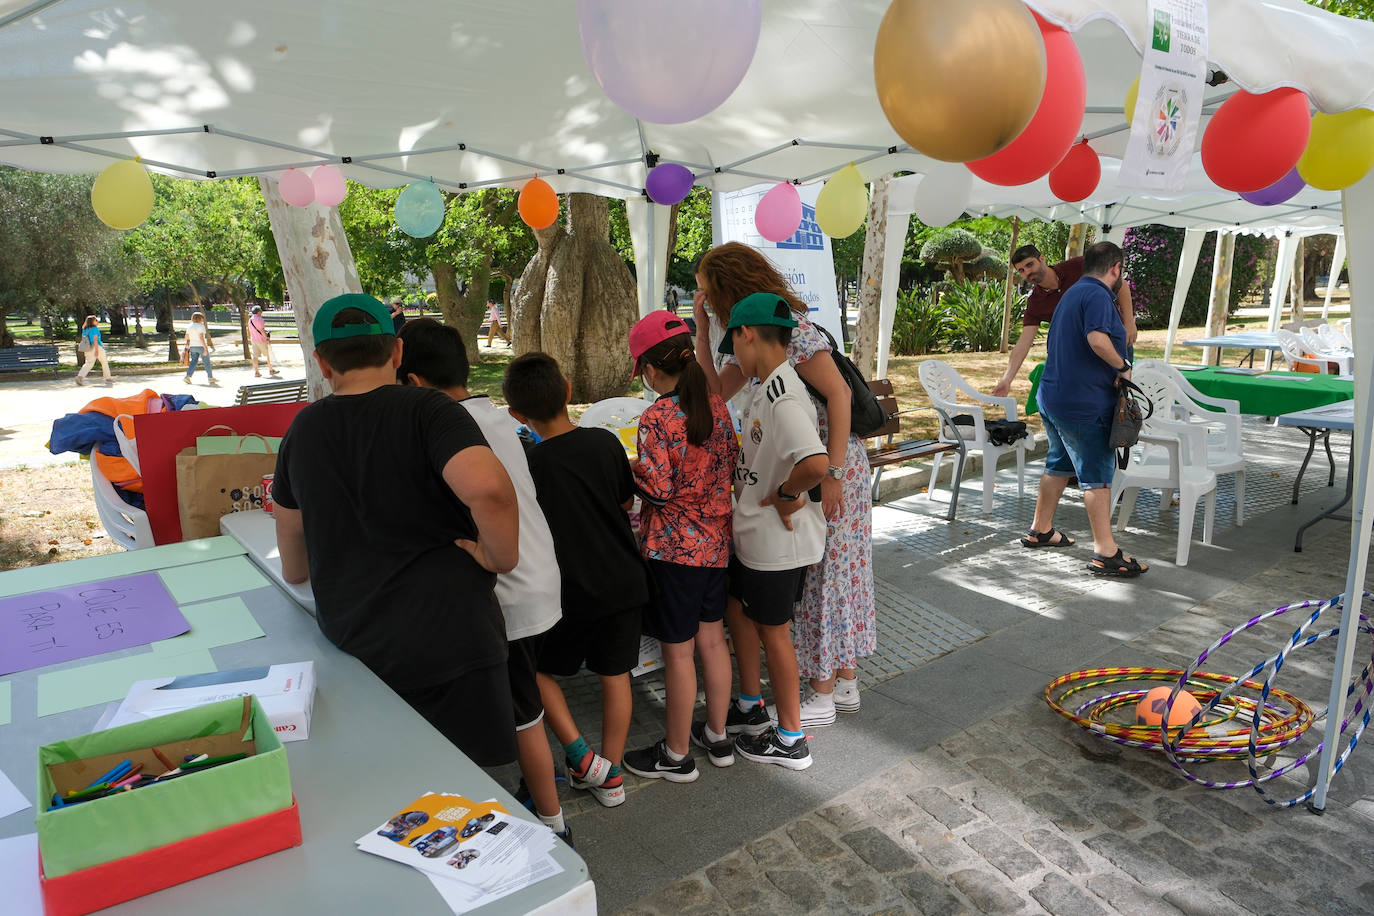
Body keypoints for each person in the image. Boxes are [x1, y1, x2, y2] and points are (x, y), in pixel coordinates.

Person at [271, 294, 522, 767]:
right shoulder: (430, 411)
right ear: (396, 353)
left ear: (322, 362)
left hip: (360, 647)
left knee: (390, 793)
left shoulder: (302, 430)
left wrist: (298, 572)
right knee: (471, 799)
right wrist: (500, 557)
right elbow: (488, 489)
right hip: (453, 639)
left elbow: (290, 535)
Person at [395, 318, 571, 845]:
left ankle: (551, 821)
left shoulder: (444, 429)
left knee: (524, 716)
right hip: (542, 575)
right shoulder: (491, 416)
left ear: (413, 383)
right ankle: (545, 783)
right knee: (526, 699)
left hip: (511, 588)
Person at [694, 241, 874, 727]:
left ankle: (822, 691)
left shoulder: (794, 337)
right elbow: (715, 393)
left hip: (824, 466)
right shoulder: (753, 338)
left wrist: (832, 474)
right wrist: (703, 332)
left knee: (826, 577)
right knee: (836, 573)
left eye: (708, 294)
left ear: (728, 288)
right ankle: (844, 680)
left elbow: (837, 395)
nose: (705, 301)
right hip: (808, 464)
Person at [502, 352, 649, 808]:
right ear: (568, 390)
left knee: (536, 671)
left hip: (571, 589)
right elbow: (627, 504)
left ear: (516, 415)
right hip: (623, 580)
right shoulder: (605, 443)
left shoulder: (533, 465)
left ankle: (581, 756)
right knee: (615, 676)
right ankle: (613, 773)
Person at [620, 313, 739, 782]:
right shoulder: (715, 404)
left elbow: (659, 489)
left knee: (677, 652)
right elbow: (727, 464)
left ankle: (675, 754)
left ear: (650, 369)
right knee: (713, 640)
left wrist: (630, 468)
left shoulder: (656, 417)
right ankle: (717, 735)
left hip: (673, 552)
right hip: (716, 545)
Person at [717, 293, 829, 769]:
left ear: (746, 335)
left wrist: (787, 493)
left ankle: (791, 737)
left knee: (775, 632)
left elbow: (816, 463)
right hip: (757, 537)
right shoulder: (770, 384)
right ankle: (749, 703)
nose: (734, 359)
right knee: (739, 610)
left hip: (775, 544)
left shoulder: (782, 395)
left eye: (733, 346)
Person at [1026, 242, 1150, 578]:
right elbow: (1097, 339)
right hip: (1082, 403)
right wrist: (1123, 365)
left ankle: (1041, 529)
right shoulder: (1096, 295)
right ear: (1116, 268)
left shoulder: (1072, 293)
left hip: (1053, 397)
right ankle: (1106, 552)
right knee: (1097, 477)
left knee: (1059, 463)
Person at [993, 244, 1137, 398]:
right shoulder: (1035, 302)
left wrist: (1129, 322)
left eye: (1030, 264)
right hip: (1081, 357)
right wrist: (1007, 379)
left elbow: (1120, 284)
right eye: (1021, 270)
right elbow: (1023, 344)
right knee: (1098, 402)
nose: (1028, 272)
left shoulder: (1079, 265)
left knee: (1121, 396)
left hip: (1113, 343)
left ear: (1042, 259)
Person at [75, 315, 112, 386]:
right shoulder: (95, 329)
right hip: (97, 346)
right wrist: (97, 350)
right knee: (104, 362)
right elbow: (95, 339)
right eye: (96, 320)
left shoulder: (84, 329)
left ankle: (80, 376)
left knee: (88, 363)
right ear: (92, 322)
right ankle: (108, 378)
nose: (97, 321)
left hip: (88, 348)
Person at [183, 311, 217, 385]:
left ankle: (187, 376)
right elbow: (201, 337)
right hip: (200, 346)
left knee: (193, 362)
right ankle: (210, 377)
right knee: (206, 362)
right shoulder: (201, 326)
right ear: (200, 318)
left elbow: (186, 337)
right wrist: (205, 348)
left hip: (192, 346)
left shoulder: (189, 326)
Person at [249, 305, 279, 378]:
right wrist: (267, 338)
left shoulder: (250, 320)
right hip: (261, 340)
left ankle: (256, 372)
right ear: (259, 311)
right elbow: (262, 330)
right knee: (268, 355)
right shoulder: (260, 319)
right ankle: (271, 370)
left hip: (254, 340)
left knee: (255, 356)